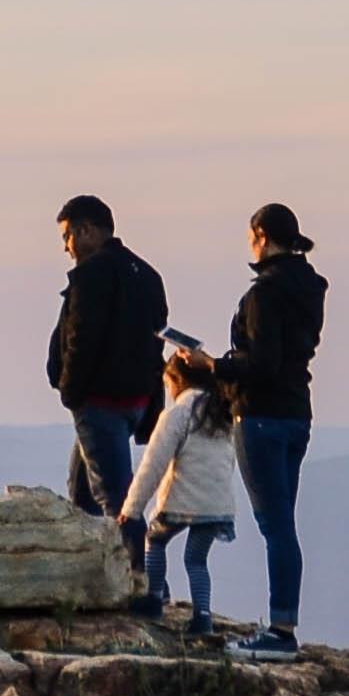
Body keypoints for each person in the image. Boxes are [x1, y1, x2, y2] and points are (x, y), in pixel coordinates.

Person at [214, 202, 329, 655]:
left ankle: (280, 633)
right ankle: (284, 623)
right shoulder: (308, 288)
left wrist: (213, 366)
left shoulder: (264, 293)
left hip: (259, 415)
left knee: (275, 526)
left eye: (251, 236)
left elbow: (260, 363)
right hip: (297, 413)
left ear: (262, 235)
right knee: (284, 524)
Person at [45, 195, 168, 520]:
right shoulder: (147, 275)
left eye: (67, 236)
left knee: (118, 503)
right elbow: (157, 339)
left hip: (100, 401)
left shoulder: (92, 275)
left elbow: (82, 336)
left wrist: (71, 392)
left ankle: (135, 568)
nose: (66, 247)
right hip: (135, 400)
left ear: (86, 230)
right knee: (83, 492)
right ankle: (90, 563)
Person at [117, 344, 243, 628]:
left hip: (182, 502)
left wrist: (132, 508)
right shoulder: (222, 415)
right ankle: (203, 617)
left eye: (168, 384)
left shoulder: (178, 414)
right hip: (218, 506)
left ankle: (153, 597)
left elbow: (153, 464)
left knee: (155, 539)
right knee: (196, 560)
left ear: (177, 382)